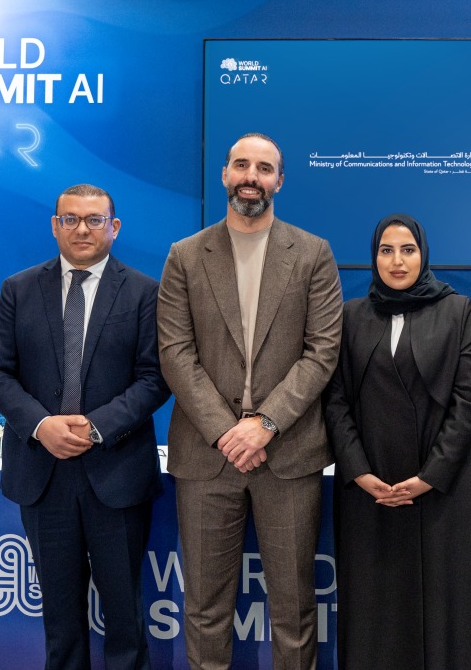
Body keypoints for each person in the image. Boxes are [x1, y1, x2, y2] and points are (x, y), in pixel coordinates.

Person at [156, 133, 342, 669]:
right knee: (205, 607)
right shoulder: (185, 256)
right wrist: (226, 431)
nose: (251, 177)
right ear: (225, 174)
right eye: (241, 165)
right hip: (206, 457)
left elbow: (322, 351)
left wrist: (265, 424)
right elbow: (175, 353)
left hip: (289, 455)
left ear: (279, 180)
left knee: (294, 609)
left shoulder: (313, 254)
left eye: (264, 168)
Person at [0, 184, 170, 669]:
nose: (81, 229)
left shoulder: (145, 292)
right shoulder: (18, 289)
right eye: (70, 219)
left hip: (117, 474)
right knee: (60, 623)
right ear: (55, 225)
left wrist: (97, 426)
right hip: (43, 476)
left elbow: (156, 379)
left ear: (114, 227)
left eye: (93, 219)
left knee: (125, 619)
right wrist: (41, 424)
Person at [323, 213, 471, 669]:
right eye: (386, 251)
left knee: (448, 609)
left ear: (423, 254)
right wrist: (359, 472)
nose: (397, 261)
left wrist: (430, 476)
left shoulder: (457, 311)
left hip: (443, 491)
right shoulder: (351, 316)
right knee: (375, 611)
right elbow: (335, 400)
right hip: (370, 492)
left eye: (408, 250)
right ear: (374, 257)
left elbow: (468, 399)